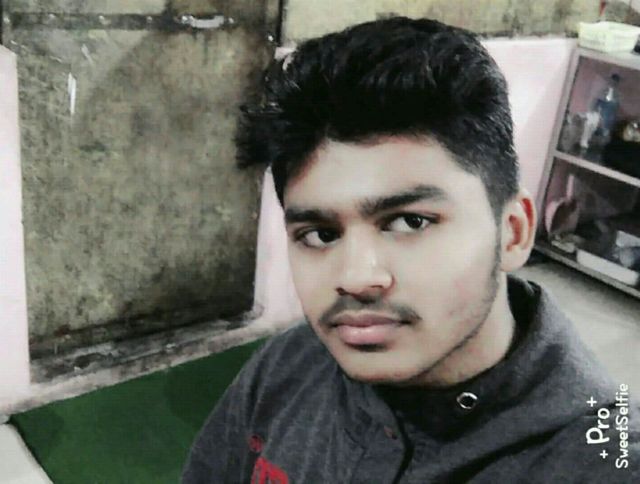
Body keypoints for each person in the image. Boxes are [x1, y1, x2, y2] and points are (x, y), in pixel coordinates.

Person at [183, 17, 638, 483]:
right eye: (320, 234)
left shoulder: (602, 460)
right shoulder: (289, 363)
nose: (356, 278)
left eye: (409, 222)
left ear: (513, 232)